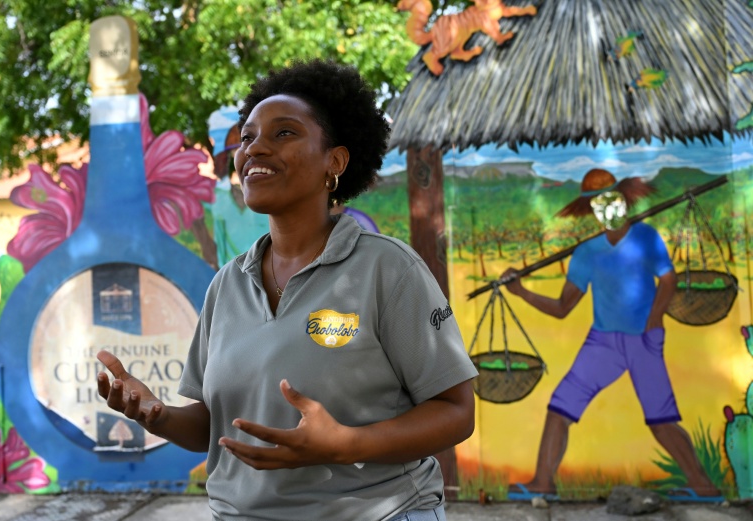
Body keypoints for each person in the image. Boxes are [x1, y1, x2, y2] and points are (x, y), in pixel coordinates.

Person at [96, 60, 478, 521]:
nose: (254, 148)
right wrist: (158, 415)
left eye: (284, 133)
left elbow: (456, 412)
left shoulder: (388, 269)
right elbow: (214, 426)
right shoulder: (227, 284)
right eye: (248, 137)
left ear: (334, 162)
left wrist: (347, 445)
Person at [500, 169, 721, 501]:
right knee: (560, 408)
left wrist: (654, 320)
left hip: (644, 341)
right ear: (591, 210)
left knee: (660, 420)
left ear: (624, 199)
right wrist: (521, 292)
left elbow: (669, 281)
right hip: (602, 343)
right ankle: (543, 483)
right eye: (598, 204)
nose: (606, 208)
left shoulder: (646, 237)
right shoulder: (587, 253)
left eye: (611, 199)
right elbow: (562, 307)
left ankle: (703, 486)